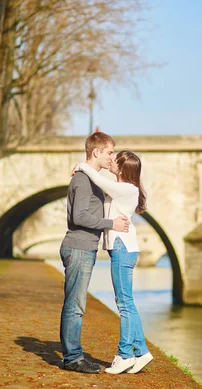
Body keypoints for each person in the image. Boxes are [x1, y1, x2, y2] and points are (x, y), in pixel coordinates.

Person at [73, 150, 154, 375]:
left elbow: (98, 179)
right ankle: (143, 351)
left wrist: (82, 166)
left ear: (123, 167)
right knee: (127, 302)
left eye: (115, 159)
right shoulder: (122, 188)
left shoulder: (128, 188)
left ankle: (125, 354)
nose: (111, 160)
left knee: (124, 303)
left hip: (122, 247)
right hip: (122, 247)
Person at [60, 132, 129, 374]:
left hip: (84, 247)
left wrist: (112, 170)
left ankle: (73, 354)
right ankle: (72, 358)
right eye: (110, 152)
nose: (112, 157)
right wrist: (111, 224)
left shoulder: (91, 179)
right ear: (96, 152)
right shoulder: (83, 180)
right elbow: (79, 217)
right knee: (75, 305)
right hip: (78, 247)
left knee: (77, 304)